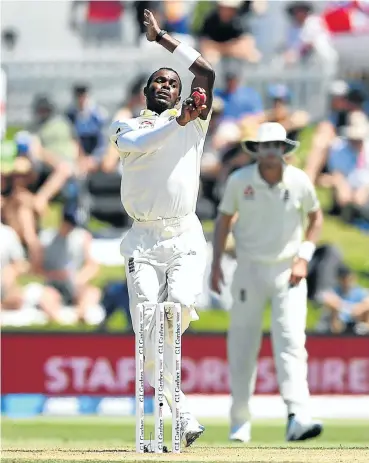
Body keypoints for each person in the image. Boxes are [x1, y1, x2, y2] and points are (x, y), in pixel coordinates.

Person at [109, 9, 215, 447]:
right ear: (147, 90)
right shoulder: (127, 126)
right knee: (148, 340)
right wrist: (179, 120)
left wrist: (163, 38)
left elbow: (205, 71)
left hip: (184, 237)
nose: (168, 87)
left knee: (172, 317)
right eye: (160, 81)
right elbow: (142, 144)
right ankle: (184, 414)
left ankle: (181, 410)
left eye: (173, 83)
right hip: (142, 241)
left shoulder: (195, 121)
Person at [211, 122, 324, 442]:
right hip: (248, 269)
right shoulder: (240, 181)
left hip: (288, 270)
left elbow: (316, 218)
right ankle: (239, 421)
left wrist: (304, 255)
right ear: (257, 149)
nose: (272, 150)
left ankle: (297, 415)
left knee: (290, 341)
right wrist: (216, 264)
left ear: (285, 148)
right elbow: (223, 220)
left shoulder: (299, 181)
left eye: (277, 144)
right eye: (266, 145)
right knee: (243, 345)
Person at [318, 265, 369, 335]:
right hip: (339, 322)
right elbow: (327, 299)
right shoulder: (334, 291)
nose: (346, 281)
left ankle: (364, 328)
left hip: (356, 320)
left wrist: (358, 309)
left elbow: (365, 303)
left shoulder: (360, 291)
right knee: (334, 309)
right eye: (343, 279)